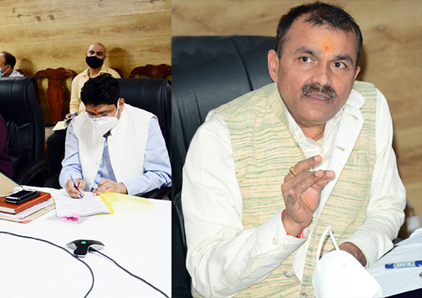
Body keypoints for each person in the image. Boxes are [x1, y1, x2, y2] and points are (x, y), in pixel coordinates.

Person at [182, 3, 406, 297]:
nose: (323, 79)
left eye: (339, 64)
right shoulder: (219, 135)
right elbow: (206, 277)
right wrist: (288, 225)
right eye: (306, 59)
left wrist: (357, 251)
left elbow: (386, 207)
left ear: (355, 74)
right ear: (274, 65)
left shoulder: (371, 107)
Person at [59, 74, 171, 198]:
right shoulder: (77, 124)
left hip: (131, 199)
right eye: (91, 114)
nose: (97, 119)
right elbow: (70, 166)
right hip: (86, 198)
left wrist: (123, 187)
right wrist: (71, 180)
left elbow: (161, 173)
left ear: (121, 105)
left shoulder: (146, 122)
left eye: (104, 113)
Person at [46, 42, 121, 176]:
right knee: (53, 141)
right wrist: (72, 114)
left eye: (99, 54)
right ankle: (53, 178)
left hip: (103, 122)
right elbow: (74, 103)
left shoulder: (112, 76)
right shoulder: (78, 79)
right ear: (86, 54)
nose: (94, 56)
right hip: (81, 121)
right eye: (91, 53)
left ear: (104, 57)